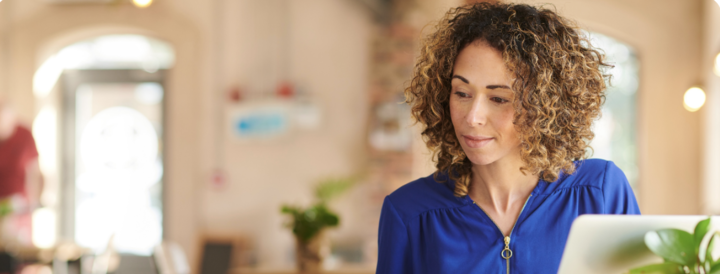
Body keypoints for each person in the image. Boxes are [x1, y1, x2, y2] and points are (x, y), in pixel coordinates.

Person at [376, 2, 640, 274]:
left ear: (542, 105)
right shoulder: (408, 213)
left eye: (499, 98)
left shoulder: (600, 192)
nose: (473, 117)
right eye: (462, 93)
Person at [0, 100, 43, 245]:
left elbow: (35, 172)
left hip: (20, 206)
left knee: (18, 248)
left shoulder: (24, 135)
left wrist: (35, 200)